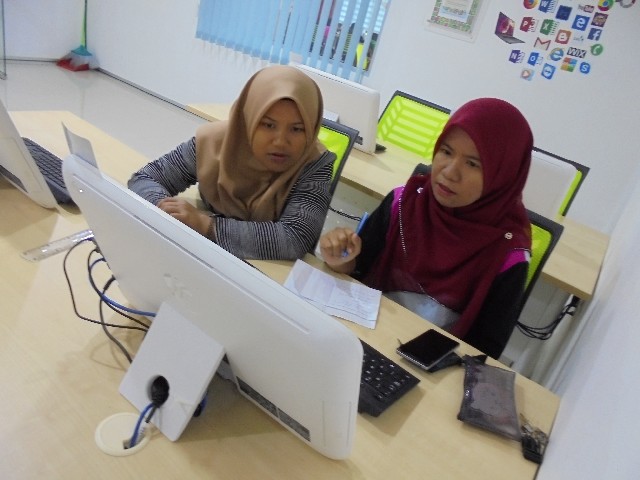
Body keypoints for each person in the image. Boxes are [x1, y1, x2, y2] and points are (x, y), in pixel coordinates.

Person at [319, 97, 533, 359]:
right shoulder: (403, 203)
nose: (450, 172)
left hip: (431, 368)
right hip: (361, 339)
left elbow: (485, 351)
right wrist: (341, 260)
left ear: (503, 175)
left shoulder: (508, 255)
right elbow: (358, 270)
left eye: (473, 164)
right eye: (446, 151)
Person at [128, 65, 334, 260]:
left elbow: (295, 238)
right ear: (248, 119)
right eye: (268, 125)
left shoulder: (315, 162)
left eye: (297, 129)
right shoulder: (215, 142)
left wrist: (206, 225)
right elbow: (144, 179)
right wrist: (167, 210)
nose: (280, 141)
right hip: (204, 256)